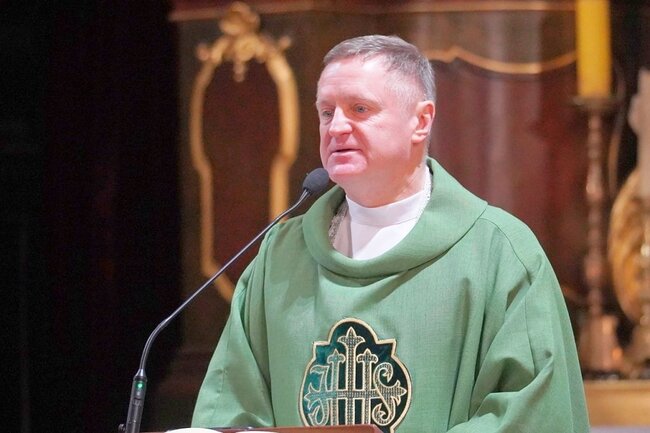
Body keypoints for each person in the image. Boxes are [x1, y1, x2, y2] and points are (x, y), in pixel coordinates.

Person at [192, 34, 589, 433]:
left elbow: (532, 416)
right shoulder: (281, 256)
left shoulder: (500, 254)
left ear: (421, 121)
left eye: (360, 109)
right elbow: (231, 410)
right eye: (327, 112)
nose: (336, 127)